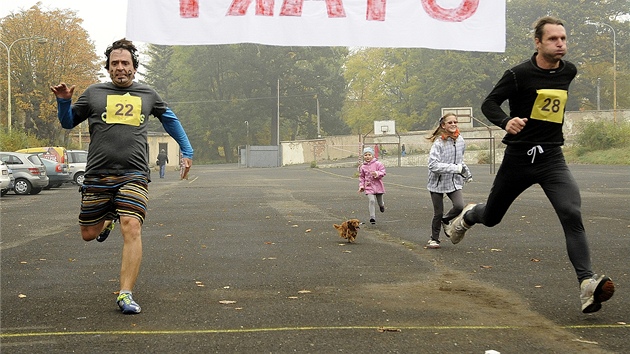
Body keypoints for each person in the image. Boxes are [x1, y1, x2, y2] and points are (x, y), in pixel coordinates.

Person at [443, 16, 614, 313]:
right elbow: (489, 104)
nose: (560, 43)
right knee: (493, 217)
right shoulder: (518, 74)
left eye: (563, 38)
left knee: (571, 211)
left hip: (551, 158)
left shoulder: (568, 71)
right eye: (553, 39)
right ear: (537, 42)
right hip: (519, 159)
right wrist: (506, 121)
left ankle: (587, 284)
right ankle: (470, 216)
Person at [50, 39, 194, 315]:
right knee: (88, 234)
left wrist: (187, 150)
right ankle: (107, 220)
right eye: (115, 63)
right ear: (108, 68)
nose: (120, 68)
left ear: (134, 67)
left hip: (135, 174)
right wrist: (63, 102)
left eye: (125, 63)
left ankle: (125, 293)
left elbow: (171, 121)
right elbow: (68, 122)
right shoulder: (94, 93)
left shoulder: (148, 95)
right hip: (97, 175)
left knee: (132, 225)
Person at [426, 113, 472, 249]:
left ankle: (446, 220)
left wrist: (466, 173)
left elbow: (460, 161)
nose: (453, 125)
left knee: (459, 206)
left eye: (455, 122)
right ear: (443, 125)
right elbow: (433, 165)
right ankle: (434, 239)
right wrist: (455, 168)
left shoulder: (460, 141)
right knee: (438, 212)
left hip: (454, 181)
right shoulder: (438, 143)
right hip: (437, 182)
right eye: (450, 122)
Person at [358, 146, 386, 225]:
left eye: (369, 155)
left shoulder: (378, 164)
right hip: (369, 187)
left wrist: (377, 173)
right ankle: (372, 217)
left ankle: (382, 205)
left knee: (379, 202)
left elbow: (383, 172)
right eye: (366, 155)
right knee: (372, 200)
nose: (367, 156)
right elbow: (361, 177)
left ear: (373, 156)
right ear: (363, 156)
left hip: (378, 186)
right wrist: (361, 186)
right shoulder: (363, 167)